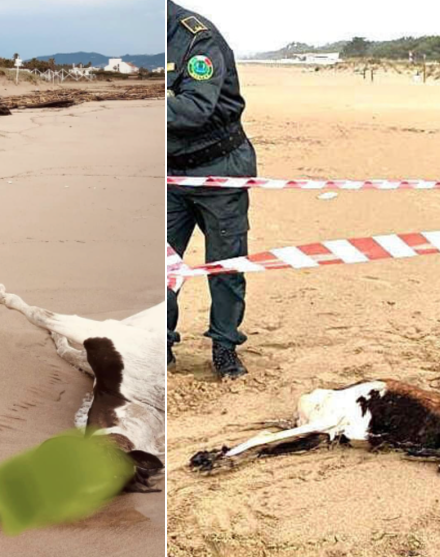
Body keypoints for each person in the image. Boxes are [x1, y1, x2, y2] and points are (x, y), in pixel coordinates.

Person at [167, 0, 255, 379]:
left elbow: (194, 108)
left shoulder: (196, 38)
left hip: (219, 170)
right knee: (160, 265)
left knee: (225, 266)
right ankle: (161, 344)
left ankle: (224, 346)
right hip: (171, 174)